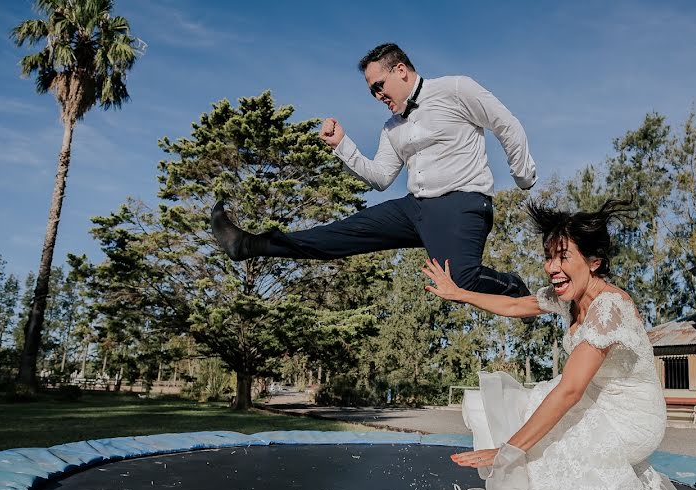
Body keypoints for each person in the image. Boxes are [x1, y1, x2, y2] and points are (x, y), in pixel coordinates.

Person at [421, 200, 696, 490]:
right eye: (549, 257)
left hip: (632, 419)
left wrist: (510, 450)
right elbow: (518, 304)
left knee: (545, 437)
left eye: (563, 257)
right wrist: (460, 293)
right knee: (532, 405)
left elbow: (570, 390)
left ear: (594, 261)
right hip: (598, 401)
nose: (552, 267)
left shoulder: (609, 308)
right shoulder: (566, 297)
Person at [211, 42, 536, 299]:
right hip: (415, 208)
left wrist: (523, 177)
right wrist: (342, 146)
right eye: (372, 91)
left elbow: (505, 124)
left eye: (380, 85)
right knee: (333, 238)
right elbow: (380, 178)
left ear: (401, 70)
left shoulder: (455, 89)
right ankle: (248, 246)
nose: (378, 95)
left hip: (462, 203)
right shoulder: (391, 126)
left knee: (459, 281)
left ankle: (518, 291)